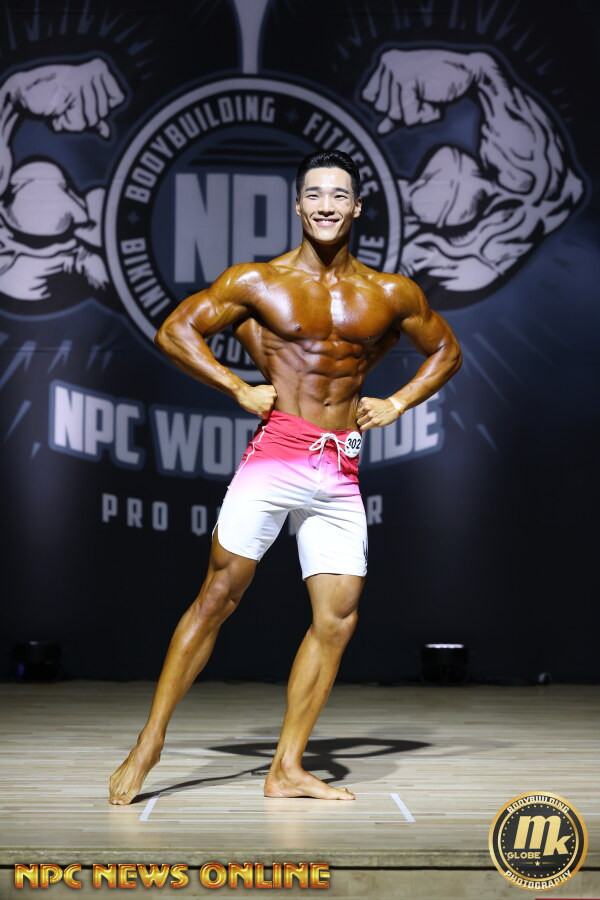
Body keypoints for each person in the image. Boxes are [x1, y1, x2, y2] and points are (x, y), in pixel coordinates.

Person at [108, 149, 462, 805]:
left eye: (339, 195)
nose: (327, 205)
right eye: (315, 194)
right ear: (298, 206)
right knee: (218, 596)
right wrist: (236, 387)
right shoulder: (257, 282)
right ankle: (150, 742)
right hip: (276, 453)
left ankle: (286, 768)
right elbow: (175, 331)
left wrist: (398, 402)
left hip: (340, 465)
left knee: (338, 618)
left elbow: (446, 350)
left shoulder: (389, 293)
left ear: (357, 208)